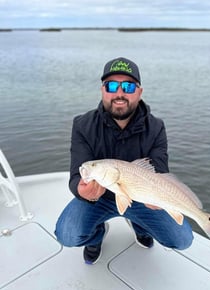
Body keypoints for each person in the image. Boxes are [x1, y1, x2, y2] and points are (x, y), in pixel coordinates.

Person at [55, 57, 193, 264]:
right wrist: (82, 190)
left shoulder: (156, 128)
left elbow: (160, 170)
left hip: (142, 197)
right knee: (67, 234)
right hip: (99, 198)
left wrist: (158, 199)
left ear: (139, 91)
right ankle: (96, 237)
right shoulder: (83, 125)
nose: (119, 93)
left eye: (128, 86)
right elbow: (78, 173)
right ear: (102, 90)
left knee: (181, 239)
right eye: (111, 85)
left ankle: (140, 226)